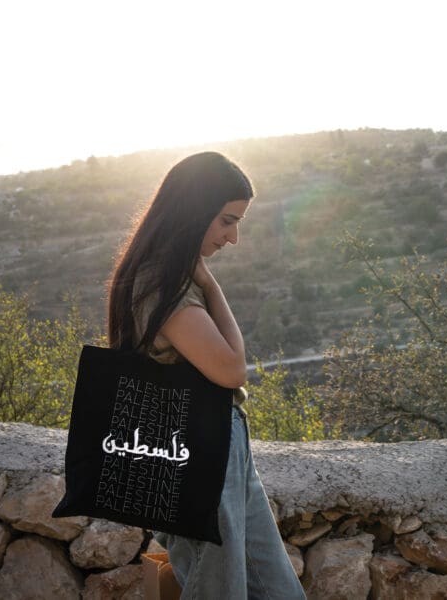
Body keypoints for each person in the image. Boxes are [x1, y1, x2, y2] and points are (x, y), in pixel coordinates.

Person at [107, 151, 306, 600]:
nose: (233, 238)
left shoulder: (175, 278)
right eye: (226, 221)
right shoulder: (161, 284)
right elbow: (233, 369)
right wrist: (212, 286)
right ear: (193, 212)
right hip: (196, 455)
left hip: (220, 450)